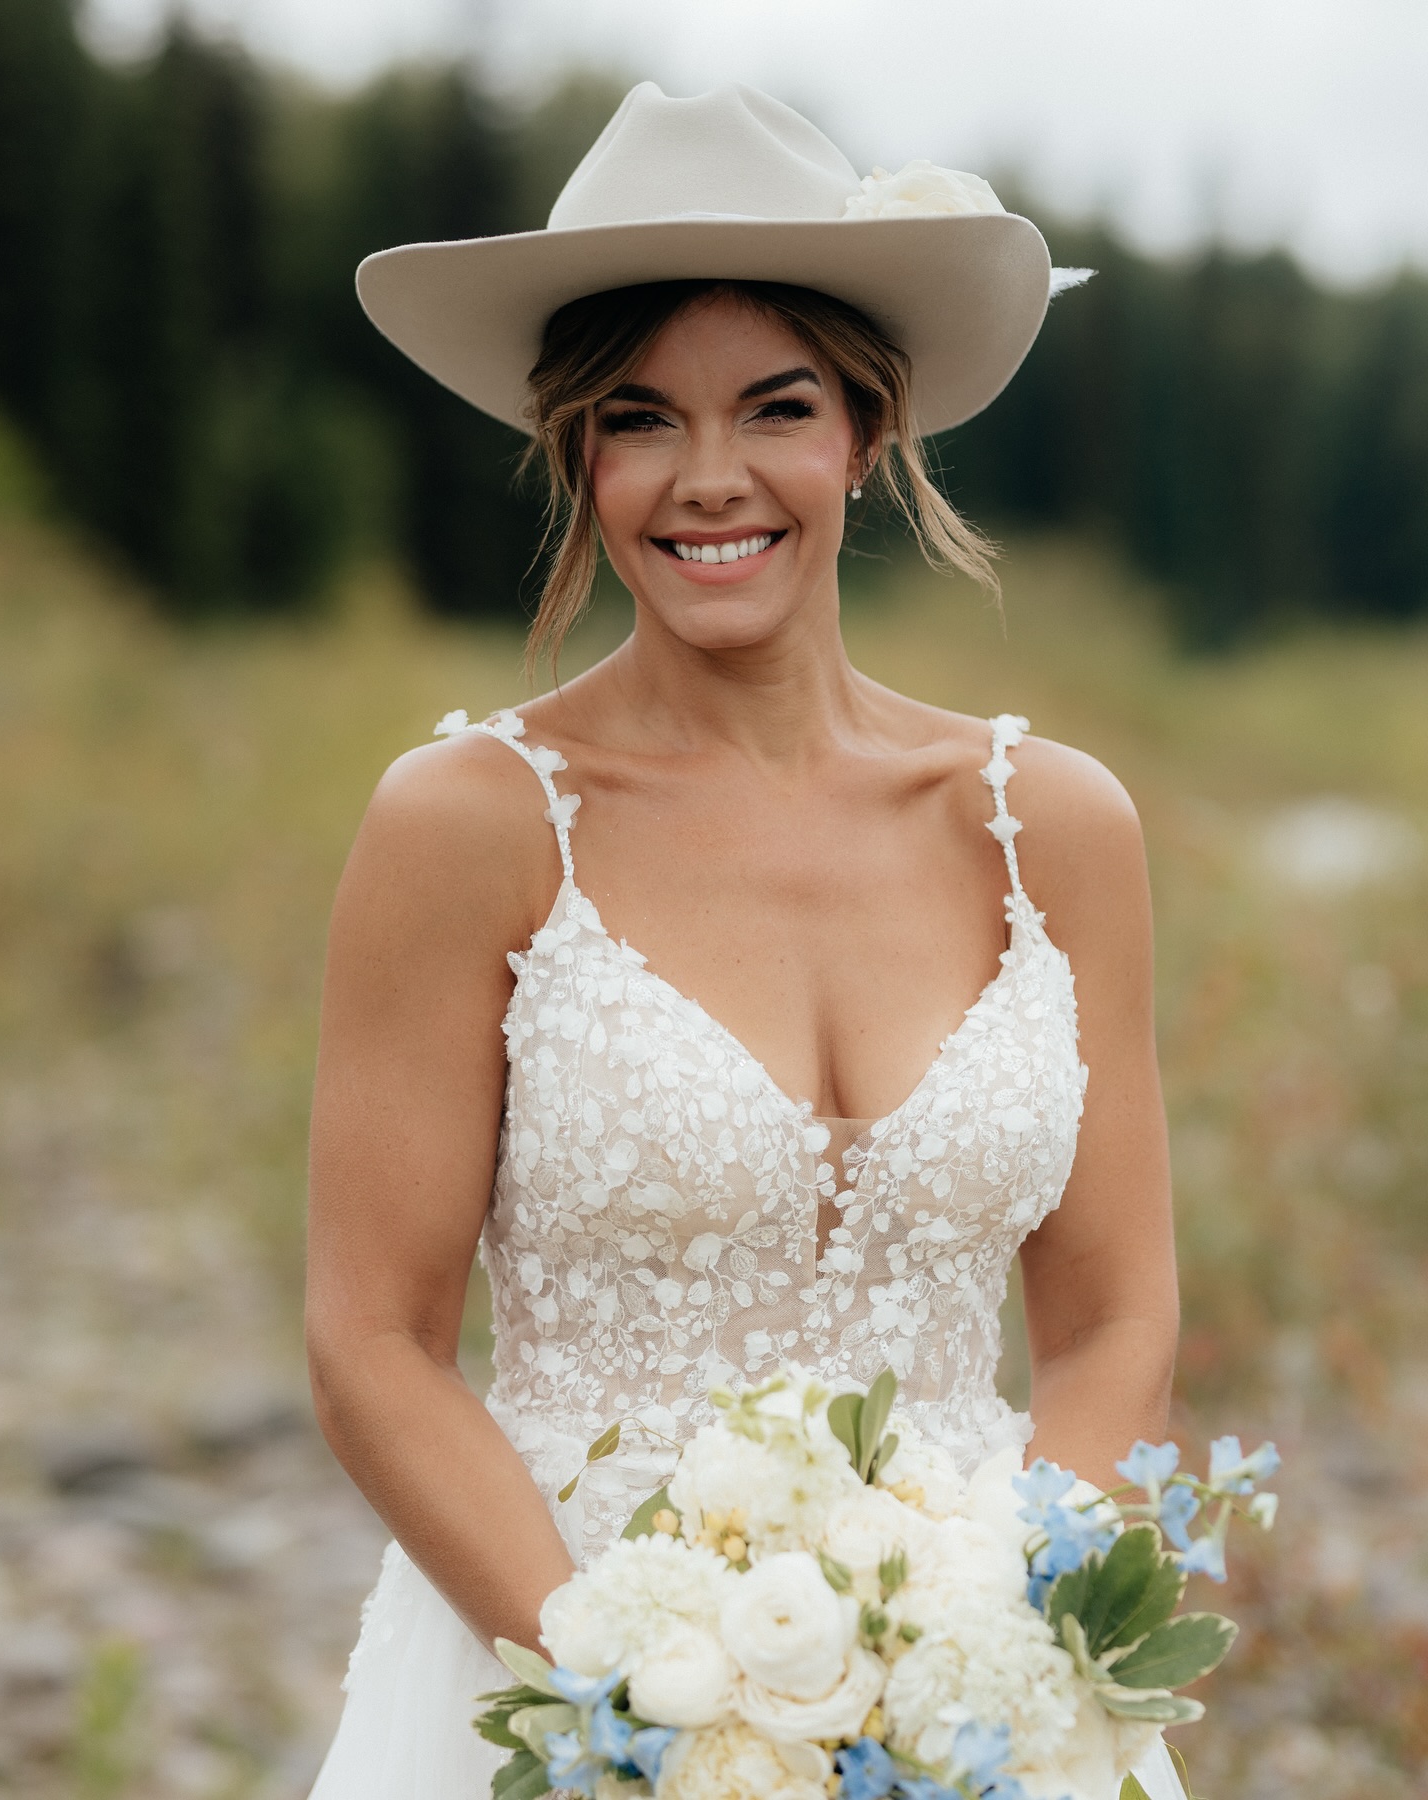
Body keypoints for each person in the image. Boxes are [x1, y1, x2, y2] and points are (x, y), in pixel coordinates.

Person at [305, 83, 1184, 1800]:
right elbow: (375, 1345)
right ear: (580, 455)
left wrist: (986, 1654)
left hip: (977, 1707)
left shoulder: (1053, 827)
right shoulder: (468, 825)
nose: (710, 480)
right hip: (569, 1670)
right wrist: (640, 1712)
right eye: (639, 419)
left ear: (868, 430)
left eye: (775, 408)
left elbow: (1113, 1324)